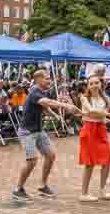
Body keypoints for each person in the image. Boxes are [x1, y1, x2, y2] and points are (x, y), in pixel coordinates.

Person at [12, 70, 79, 202]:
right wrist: (66, 105)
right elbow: (46, 102)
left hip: (38, 130)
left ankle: (42, 186)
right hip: (27, 132)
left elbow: (43, 105)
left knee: (50, 155)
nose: (49, 81)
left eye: (49, 78)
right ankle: (18, 189)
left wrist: (54, 115)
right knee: (32, 161)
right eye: (47, 78)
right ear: (38, 80)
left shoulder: (42, 92)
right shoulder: (34, 92)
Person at [79, 75, 110, 202]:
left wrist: (105, 118)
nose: (94, 85)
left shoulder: (106, 98)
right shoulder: (84, 98)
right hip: (89, 129)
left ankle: (102, 190)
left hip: (101, 129)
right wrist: (107, 114)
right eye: (91, 83)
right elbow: (91, 112)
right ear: (88, 86)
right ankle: (83, 193)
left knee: (106, 161)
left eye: (97, 83)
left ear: (101, 84)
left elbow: (99, 117)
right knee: (89, 163)